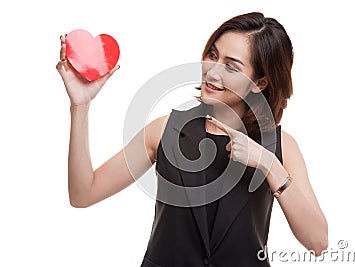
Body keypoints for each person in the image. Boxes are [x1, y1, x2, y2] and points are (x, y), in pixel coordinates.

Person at [56, 12, 328, 267]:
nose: (212, 72)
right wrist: (80, 106)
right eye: (213, 54)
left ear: (260, 84)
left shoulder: (281, 147)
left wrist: (268, 164)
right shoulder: (164, 130)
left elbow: (318, 242)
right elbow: (83, 194)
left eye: (231, 67)